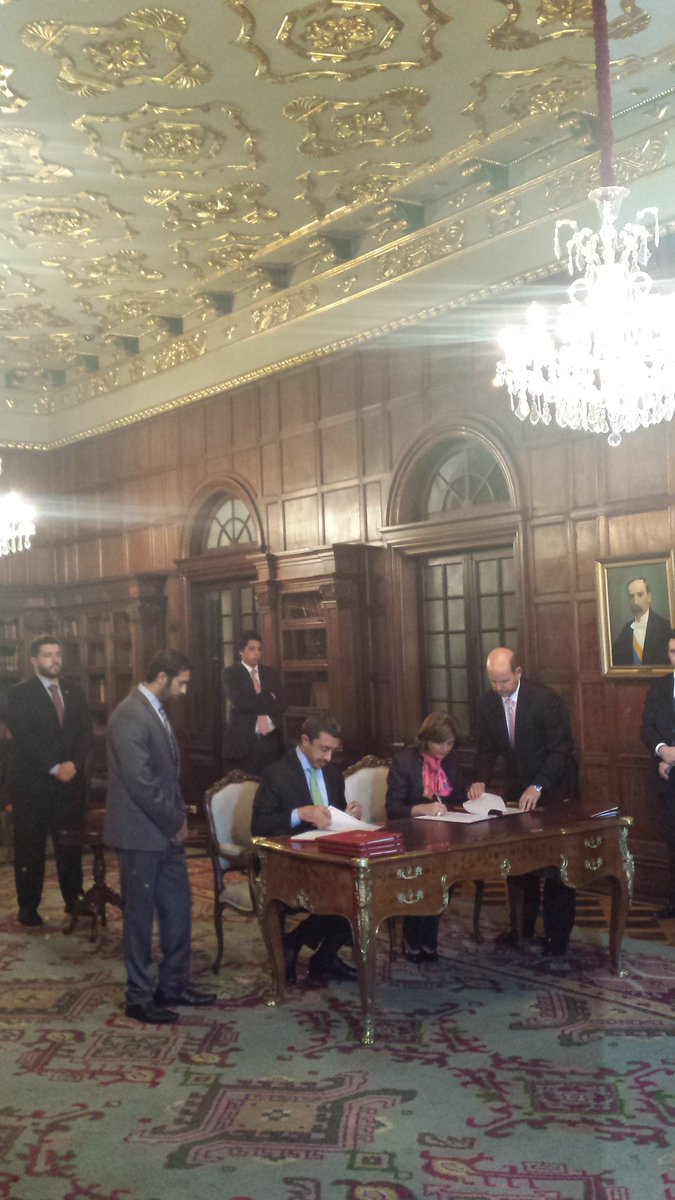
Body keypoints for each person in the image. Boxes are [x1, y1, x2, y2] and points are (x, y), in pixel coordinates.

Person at [105, 649, 216, 1024]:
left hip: (164, 832)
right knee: (139, 918)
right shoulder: (129, 714)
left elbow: (166, 776)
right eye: (181, 683)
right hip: (139, 834)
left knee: (177, 910)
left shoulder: (154, 710)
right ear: (163, 677)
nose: (184, 691)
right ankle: (139, 997)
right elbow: (141, 782)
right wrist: (174, 822)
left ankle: (173, 986)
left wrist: (176, 817)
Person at [468, 646, 577, 956]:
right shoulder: (487, 704)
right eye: (493, 681)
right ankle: (521, 928)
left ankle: (557, 938)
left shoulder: (545, 700)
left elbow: (561, 750)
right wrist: (479, 779)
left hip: (555, 788)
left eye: (504, 681)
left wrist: (539, 785)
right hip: (519, 789)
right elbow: (486, 749)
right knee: (521, 861)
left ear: (518, 672)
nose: (499, 688)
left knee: (557, 866)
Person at [251, 714, 361, 984]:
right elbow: (259, 825)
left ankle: (310, 950)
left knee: (362, 892)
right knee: (345, 892)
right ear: (304, 740)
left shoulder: (333, 773)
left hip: (329, 857)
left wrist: (350, 815)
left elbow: (335, 815)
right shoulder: (277, 773)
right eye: (324, 749)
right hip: (289, 862)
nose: (328, 757)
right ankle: (315, 954)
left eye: (333, 750)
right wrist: (299, 814)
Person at [6, 635, 93, 928]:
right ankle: (28, 907)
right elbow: (25, 737)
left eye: (57, 654)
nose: (54, 660)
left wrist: (73, 764)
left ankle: (74, 900)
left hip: (69, 784)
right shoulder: (19, 694)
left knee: (70, 846)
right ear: (34, 660)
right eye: (47, 655)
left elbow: (85, 733)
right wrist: (54, 767)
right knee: (30, 847)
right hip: (33, 785)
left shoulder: (74, 691)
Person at [386, 711, 467, 962]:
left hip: (445, 833)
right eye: (439, 743)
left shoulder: (451, 762)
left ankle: (429, 936)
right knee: (424, 881)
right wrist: (423, 808)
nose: (445, 749)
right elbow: (393, 808)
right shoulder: (404, 762)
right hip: (412, 836)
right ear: (426, 739)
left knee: (447, 879)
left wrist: (473, 791)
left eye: (450, 743)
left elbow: (458, 798)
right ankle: (413, 937)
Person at [641, 630, 675, 918]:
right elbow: (647, 728)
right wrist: (662, 752)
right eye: (674, 652)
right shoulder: (660, 688)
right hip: (669, 783)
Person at [222, 631, 286, 776]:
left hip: (272, 741)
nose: (256, 653)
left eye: (259, 649)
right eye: (252, 649)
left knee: (273, 783)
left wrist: (255, 700)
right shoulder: (231, 673)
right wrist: (269, 697)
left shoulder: (270, 673)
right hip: (246, 743)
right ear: (241, 651)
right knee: (248, 785)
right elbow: (241, 703)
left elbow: (282, 703)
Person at [612, 577, 672, 666]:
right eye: (631, 596)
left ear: (649, 597)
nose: (635, 601)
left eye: (640, 595)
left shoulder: (665, 627)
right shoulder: (626, 630)